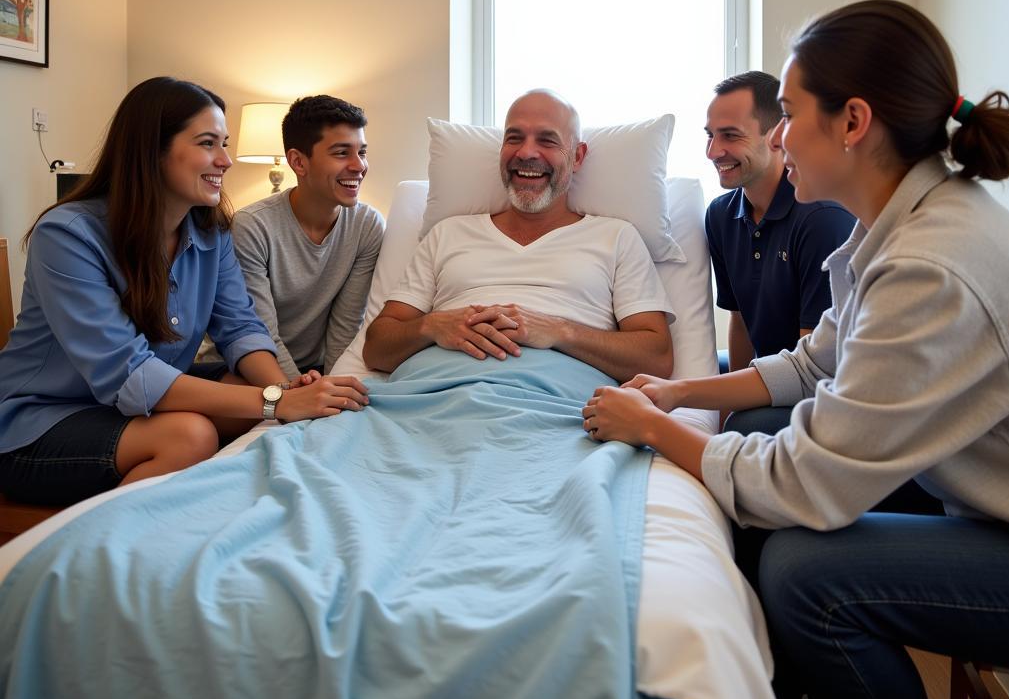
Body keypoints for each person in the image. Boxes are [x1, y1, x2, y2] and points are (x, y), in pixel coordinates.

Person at [581, 0, 1009, 699]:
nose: (780, 136)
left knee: (805, 575)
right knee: (756, 431)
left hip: (1006, 529)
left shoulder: (928, 265)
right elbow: (815, 362)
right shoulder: (898, 223)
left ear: (853, 122)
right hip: (977, 490)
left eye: (785, 113)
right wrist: (682, 395)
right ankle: (787, 676)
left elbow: (803, 485)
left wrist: (653, 429)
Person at [0, 77, 370, 508]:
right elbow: (128, 372)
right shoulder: (67, 236)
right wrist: (275, 403)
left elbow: (239, 329)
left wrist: (287, 391)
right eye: (208, 143)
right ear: (152, 151)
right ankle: (110, 551)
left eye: (225, 143)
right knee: (192, 434)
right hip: (41, 422)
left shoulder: (210, 232)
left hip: (131, 407)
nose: (226, 160)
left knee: (241, 388)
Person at [363, 89, 674, 382]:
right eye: (514, 138)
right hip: (426, 398)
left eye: (547, 141)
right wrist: (431, 326)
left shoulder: (616, 237)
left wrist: (558, 331)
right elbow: (376, 349)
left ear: (577, 157)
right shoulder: (447, 233)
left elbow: (656, 358)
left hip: (554, 408)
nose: (526, 153)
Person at [704, 72, 854, 394]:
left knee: (743, 421)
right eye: (710, 136)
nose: (713, 152)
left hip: (816, 387)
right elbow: (741, 323)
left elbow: (814, 369)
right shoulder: (720, 215)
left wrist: (730, 416)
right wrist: (721, 415)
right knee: (702, 369)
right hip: (771, 370)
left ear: (776, 135)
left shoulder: (821, 219)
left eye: (730, 135)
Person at [231, 95, 384, 378]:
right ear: (298, 162)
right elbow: (261, 331)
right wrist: (300, 390)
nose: (359, 166)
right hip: (252, 369)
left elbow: (346, 325)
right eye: (341, 153)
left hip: (318, 371)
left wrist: (333, 384)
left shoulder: (368, 225)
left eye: (361, 152)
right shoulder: (252, 226)